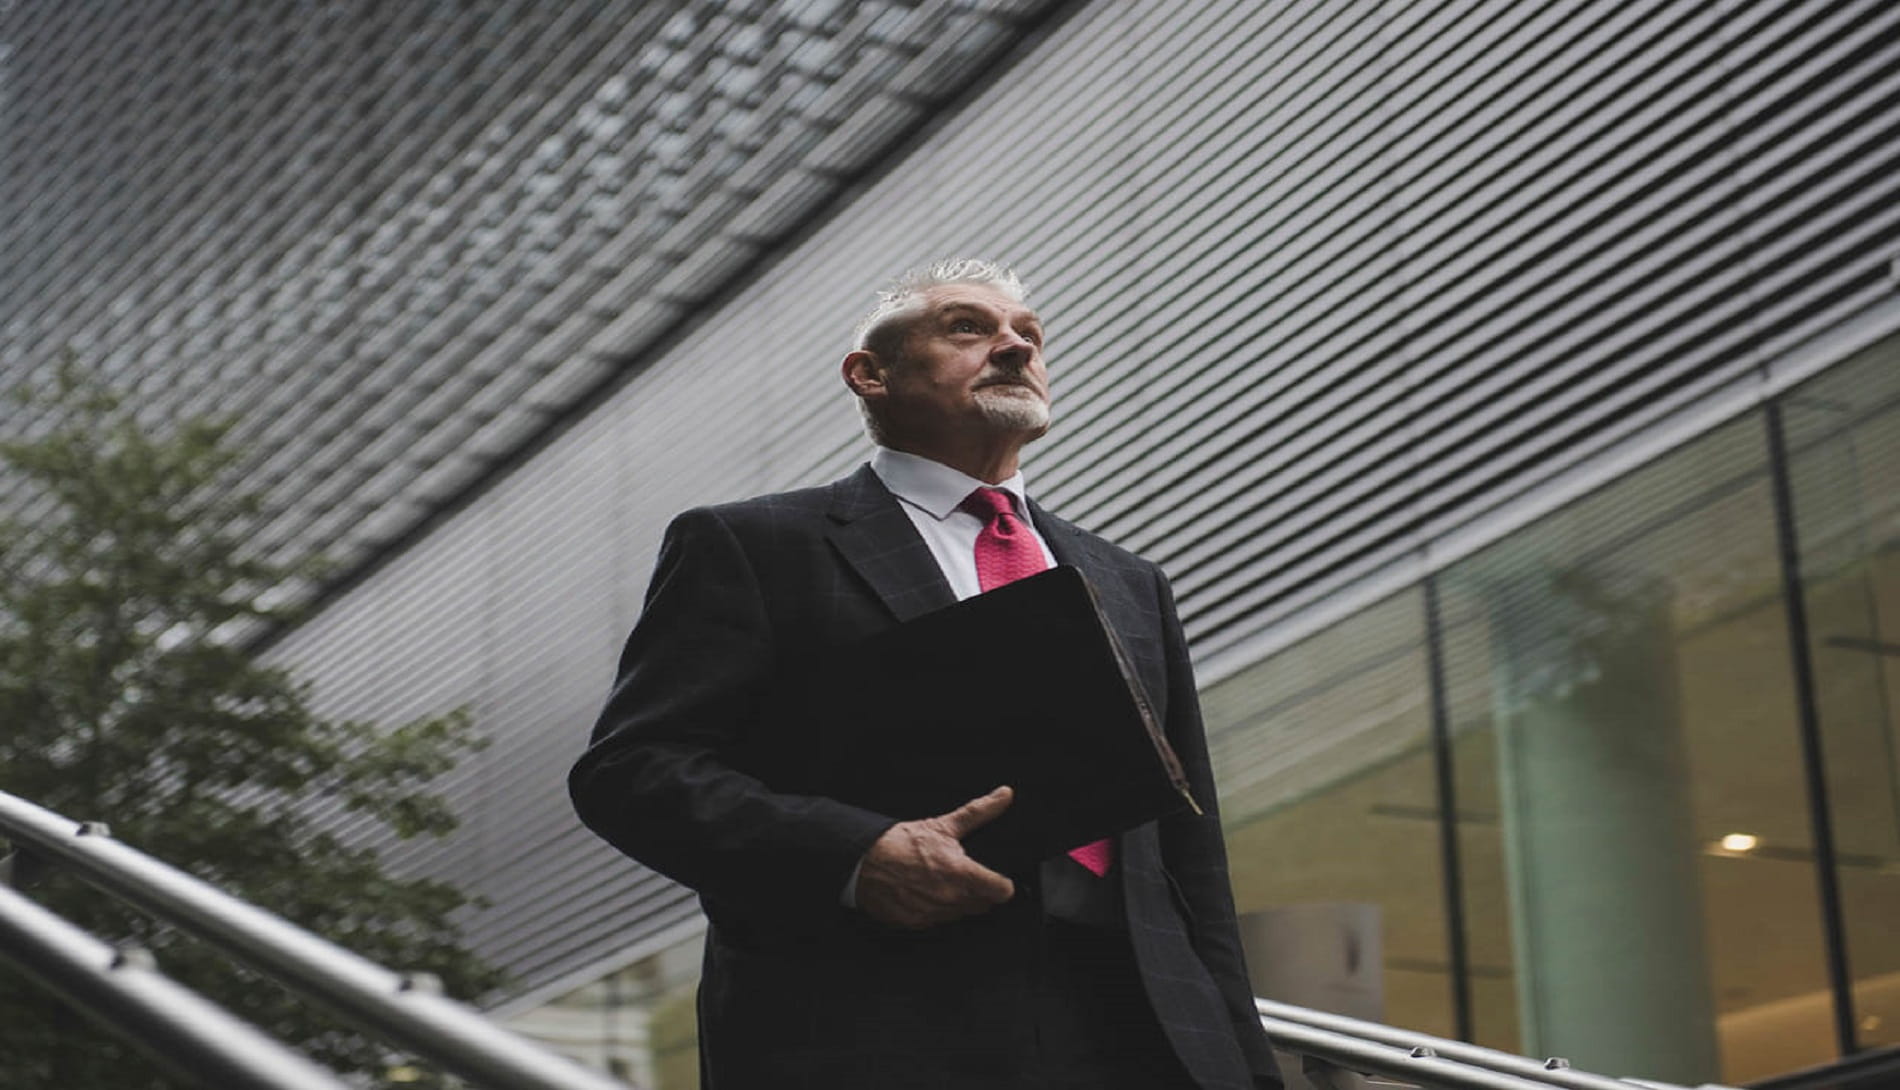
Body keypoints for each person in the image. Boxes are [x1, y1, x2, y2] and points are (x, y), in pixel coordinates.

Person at [569, 260, 1282, 1090]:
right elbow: (633, 771)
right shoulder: (757, 547)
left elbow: (1189, 853)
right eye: (968, 328)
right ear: (870, 374)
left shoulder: (1130, 581)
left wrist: (1245, 1065)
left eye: (1031, 335)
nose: (1015, 347)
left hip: (1142, 1027)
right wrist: (854, 853)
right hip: (876, 1022)